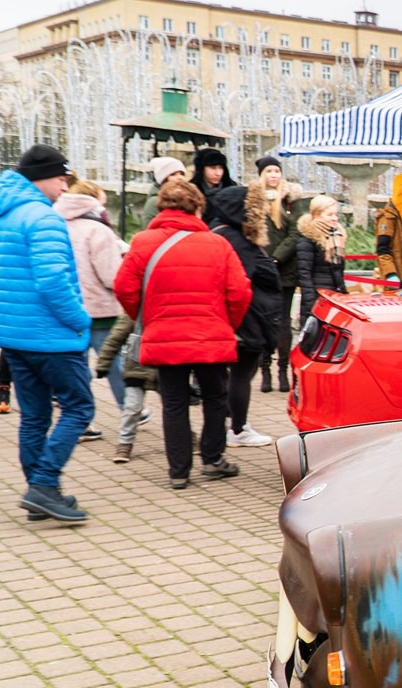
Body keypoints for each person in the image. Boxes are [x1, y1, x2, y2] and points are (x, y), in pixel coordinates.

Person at [0, 144, 95, 522]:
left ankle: (39, 491)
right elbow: (53, 283)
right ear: (42, 177)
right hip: (52, 335)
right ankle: (44, 483)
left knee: (34, 417)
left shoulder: (0, 213)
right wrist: (80, 318)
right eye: (61, 179)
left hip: (14, 334)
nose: (65, 187)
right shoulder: (42, 218)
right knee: (79, 408)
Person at [114, 180, 250, 489]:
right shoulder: (218, 244)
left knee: (173, 402)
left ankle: (178, 471)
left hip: (165, 335)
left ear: (162, 207)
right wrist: (227, 322)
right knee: (215, 397)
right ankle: (213, 459)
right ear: (198, 207)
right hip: (209, 334)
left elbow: (124, 287)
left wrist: (145, 317)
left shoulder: (143, 241)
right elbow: (240, 292)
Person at [207, 181, 281, 450]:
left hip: (245, 317)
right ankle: (238, 428)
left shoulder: (221, 233)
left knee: (235, 375)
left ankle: (231, 425)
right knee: (241, 374)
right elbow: (238, 285)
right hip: (248, 319)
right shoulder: (236, 239)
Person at [54, 179, 126, 441]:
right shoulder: (98, 229)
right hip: (100, 309)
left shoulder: (55, 223)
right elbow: (111, 275)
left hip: (67, 308)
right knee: (113, 362)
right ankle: (129, 409)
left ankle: (81, 420)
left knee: (76, 367)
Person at [257, 156, 305, 390]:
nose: (274, 175)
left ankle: (282, 370)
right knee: (265, 320)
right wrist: (263, 259)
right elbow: (250, 228)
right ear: (262, 175)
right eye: (269, 171)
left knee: (283, 322)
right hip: (261, 269)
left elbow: (297, 231)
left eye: (277, 170)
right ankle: (264, 368)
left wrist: (277, 257)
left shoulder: (291, 199)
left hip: (285, 270)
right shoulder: (253, 198)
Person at [94, 309, 158, 464]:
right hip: (137, 369)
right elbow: (115, 338)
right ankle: (125, 443)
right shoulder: (133, 312)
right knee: (132, 407)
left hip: (164, 369)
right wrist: (103, 363)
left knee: (176, 408)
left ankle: (188, 437)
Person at [296, 196, 347, 324]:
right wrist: (312, 305)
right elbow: (304, 275)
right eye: (329, 214)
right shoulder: (307, 240)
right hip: (318, 299)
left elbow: (338, 272)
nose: (335, 218)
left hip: (335, 297)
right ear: (317, 215)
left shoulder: (336, 237)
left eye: (336, 214)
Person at [142, 157, 187, 228]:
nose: (180, 177)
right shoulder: (155, 202)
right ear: (163, 179)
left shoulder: (186, 198)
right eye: (173, 174)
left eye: (181, 174)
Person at [190, 147, 236, 212]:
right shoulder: (190, 191)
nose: (218, 173)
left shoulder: (233, 190)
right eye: (213, 168)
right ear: (202, 169)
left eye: (220, 168)